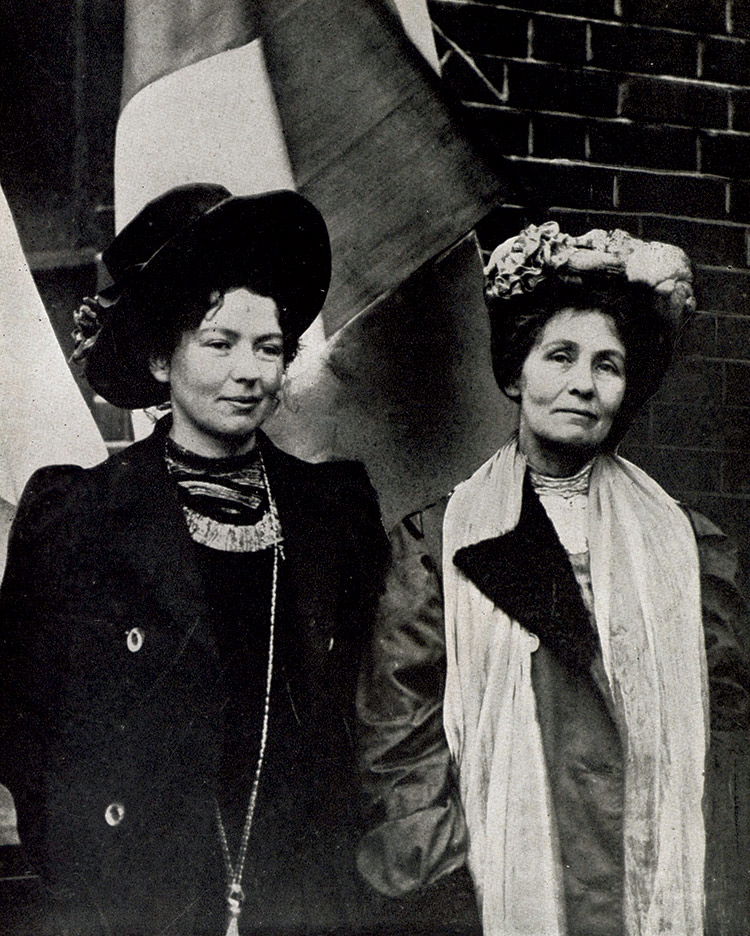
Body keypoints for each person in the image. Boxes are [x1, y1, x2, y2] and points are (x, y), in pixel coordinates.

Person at [0, 184, 389, 936]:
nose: (250, 371)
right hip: (136, 891)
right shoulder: (77, 515)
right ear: (159, 356)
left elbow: (358, 703)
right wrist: (84, 861)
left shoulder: (332, 511)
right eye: (220, 343)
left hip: (297, 888)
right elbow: (22, 718)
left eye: (269, 347)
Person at [356, 222, 750, 936]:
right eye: (559, 356)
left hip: (649, 880)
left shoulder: (688, 546)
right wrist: (469, 877)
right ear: (515, 372)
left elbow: (722, 736)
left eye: (608, 365)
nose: (582, 383)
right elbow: (399, 738)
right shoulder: (439, 540)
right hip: (503, 886)